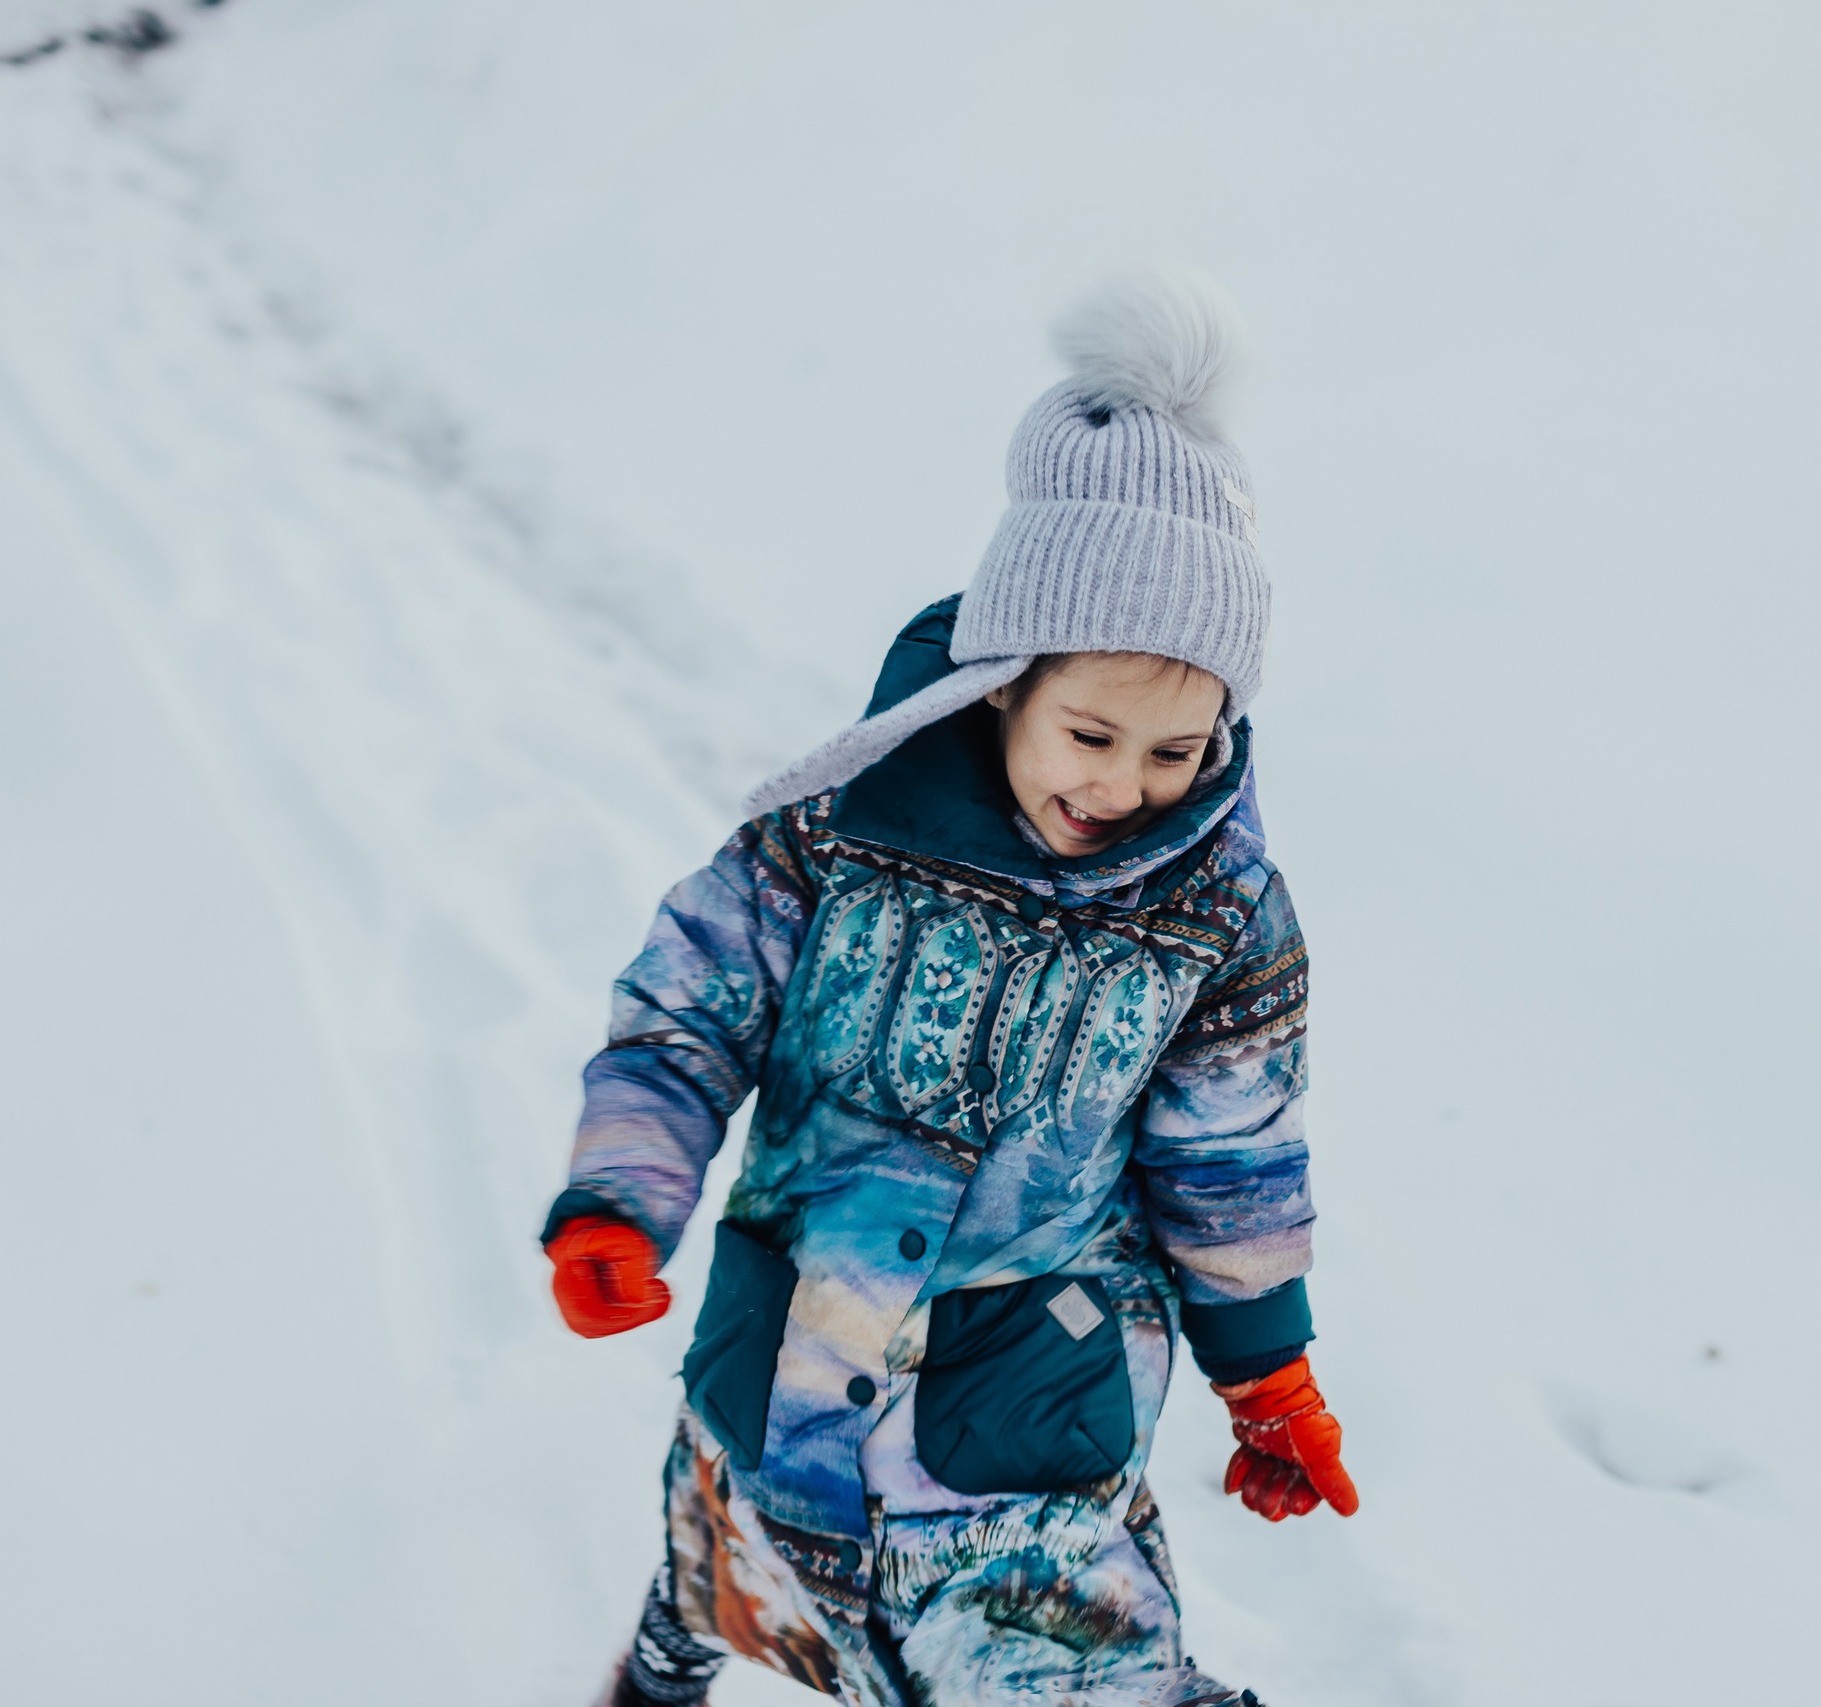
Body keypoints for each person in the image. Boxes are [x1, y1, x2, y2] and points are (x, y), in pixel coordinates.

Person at [543, 273, 1355, 1707]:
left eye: (1178, 752)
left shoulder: (1220, 915)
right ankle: (663, 1673)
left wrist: (1267, 1373)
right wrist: (623, 1191)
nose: (1126, 787)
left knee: (1075, 1671)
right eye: (1091, 734)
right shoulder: (836, 833)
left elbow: (1230, 1161)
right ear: (1000, 685)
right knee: (730, 1558)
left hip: (1023, 1397)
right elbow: (687, 1010)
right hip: (792, 1338)